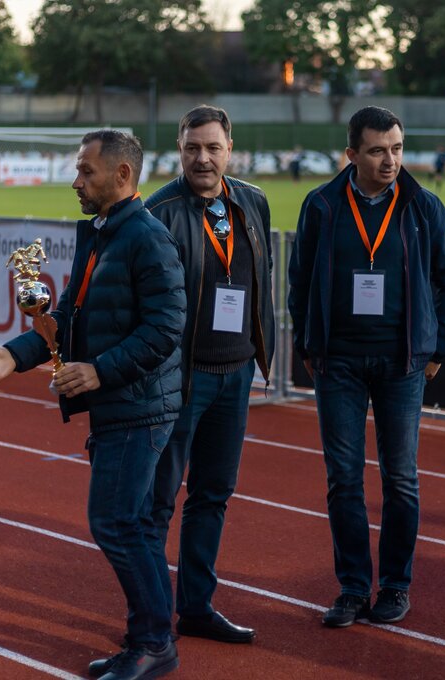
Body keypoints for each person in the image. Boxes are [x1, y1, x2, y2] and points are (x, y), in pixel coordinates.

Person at [0, 130, 186, 680]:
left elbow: (166, 327)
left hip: (138, 406)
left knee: (116, 523)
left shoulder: (146, 238)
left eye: (86, 171)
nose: (76, 181)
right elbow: (66, 318)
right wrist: (13, 355)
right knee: (130, 524)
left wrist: (99, 370)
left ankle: (154, 642)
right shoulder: (103, 233)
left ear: (122, 175)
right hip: (123, 404)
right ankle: (151, 635)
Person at [288, 106, 445, 628]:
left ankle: (394, 585)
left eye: (397, 149)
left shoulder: (423, 206)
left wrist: (438, 349)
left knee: (401, 479)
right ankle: (351, 588)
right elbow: (300, 281)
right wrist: (307, 342)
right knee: (343, 480)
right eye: (376, 151)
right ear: (351, 154)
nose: (390, 161)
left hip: (402, 363)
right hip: (338, 363)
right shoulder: (321, 205)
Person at [146, 104, 274, 645]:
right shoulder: (158, 212)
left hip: (235, 374)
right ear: (179, 149)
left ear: (229, 150)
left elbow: (261, 278)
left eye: (213, 147)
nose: (203, 158)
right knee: (157, 503)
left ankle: (196, 607)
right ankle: (151, 619)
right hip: (180, 378)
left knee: (213, 494)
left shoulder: (253, 201)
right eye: (193, 147)